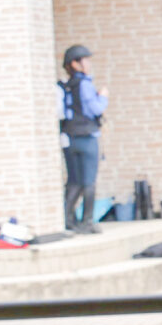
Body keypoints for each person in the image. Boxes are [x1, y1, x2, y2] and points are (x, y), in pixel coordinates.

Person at [58, 44, 108, 234]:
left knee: (74, 180)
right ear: (76, 64)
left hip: (70, 138)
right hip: (87, 137)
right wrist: (103, 97)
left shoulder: (66, 85)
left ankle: (67, 219)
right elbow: (95, 109)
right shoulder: (85, 84)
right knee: (88, 181)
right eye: (85, 60)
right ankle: (87, 221)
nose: (88, 64)